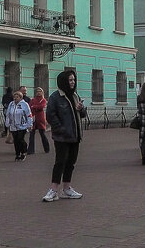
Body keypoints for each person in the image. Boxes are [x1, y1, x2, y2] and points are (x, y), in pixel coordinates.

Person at [42, 69, 87, 202]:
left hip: (75, 136)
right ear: (63, 81)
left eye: (73, 80)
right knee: (60, 162)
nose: (72, 82)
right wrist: (60, 129)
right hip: (62, 137)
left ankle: (67, 188)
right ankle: (53, 190)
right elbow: (50, 115)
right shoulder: (56, 97)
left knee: (71, 163)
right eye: (70, 80)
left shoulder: (75, 96)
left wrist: (81, 109)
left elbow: (82, 114)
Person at [5, 90, 32, 161]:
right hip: (13, 126)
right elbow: (8, 114)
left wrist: (29, 124)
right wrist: (7, 123)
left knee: (20, 139)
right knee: (16, 141)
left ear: (20, 97)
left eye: (17, 97)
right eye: (14, 97)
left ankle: (23, 151)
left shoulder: (24, 104)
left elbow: (29, 115)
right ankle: (17, 154)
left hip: (22, 125)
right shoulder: (11, 104)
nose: (15, 98)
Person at [27, 86, 51, 155]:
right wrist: (34, 107)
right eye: (37, 91)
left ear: (42, 92)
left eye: (39, 91)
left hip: (40, 119)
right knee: (31, 135)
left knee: (42, 134)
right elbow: (29, 107)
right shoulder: (33, 100)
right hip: (33, 118)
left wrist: (34, 106)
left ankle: (47, 148)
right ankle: (31, 150)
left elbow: (41, 106)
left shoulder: (43, 100)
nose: (38, 93)